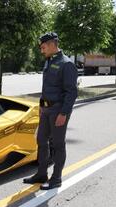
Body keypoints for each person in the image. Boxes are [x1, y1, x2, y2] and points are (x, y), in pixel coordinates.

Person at [23, 32, 78, 190]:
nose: (42, 50)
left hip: (58, 110)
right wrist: (41, 105)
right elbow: (46, 87)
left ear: (53, 44)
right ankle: (41, 174)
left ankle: (56, 178)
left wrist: (64, 113)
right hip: (46, 109)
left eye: (43, 47)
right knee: (41, 140)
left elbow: (71, 92)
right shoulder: (48, 61)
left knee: (58, 144)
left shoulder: (66, 64)